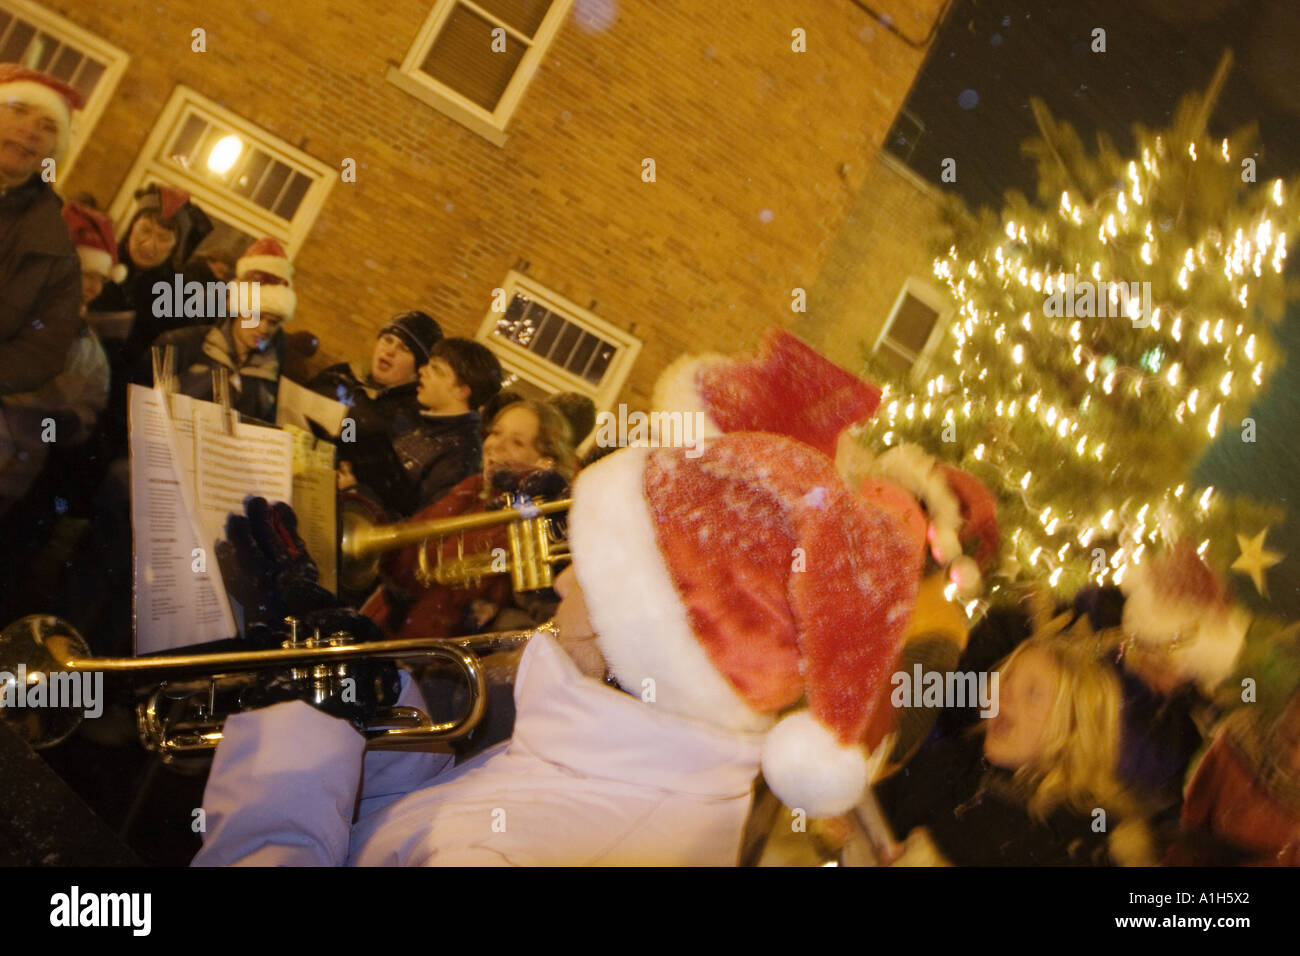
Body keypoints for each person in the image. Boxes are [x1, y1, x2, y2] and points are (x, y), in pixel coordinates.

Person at [192, 431, 921, 865]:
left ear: (625, 635)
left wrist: (293, 724)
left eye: (593, 571)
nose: (565, 577)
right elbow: (418, 826)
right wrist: (376, 699)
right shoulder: (618, 756)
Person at [873, 627, 1152, 866]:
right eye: (1007, 678)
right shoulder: (959, 759)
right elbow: (878, 808)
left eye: (1032, 693)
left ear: (1073, 730)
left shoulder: (1074, 840)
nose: (1004, 692)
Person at [360, 397, 576, 640]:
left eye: (516, 442)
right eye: (495, 432)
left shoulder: (540, 522)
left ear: (545, 462)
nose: (496, 445)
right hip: (390, 622)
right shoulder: (472, 489)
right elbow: (408, 552)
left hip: (434, 652)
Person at [341, 337, 502, 516]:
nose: (422, 371)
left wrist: (355, 492)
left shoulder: (460, 458)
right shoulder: (415, 416)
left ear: (461, 391)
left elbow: (420, 526)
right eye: (428, 365)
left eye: (436, 369)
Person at [307, 311, 444, 518]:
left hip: (344, 512)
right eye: (388, 340)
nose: (390, 351)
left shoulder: (411, 420)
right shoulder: (339, 376)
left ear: (418, 370)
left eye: (404, 349)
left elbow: (397, 494)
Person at [0, 64, 83, 399]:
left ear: (53, 150)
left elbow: (42, 350)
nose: (31, 130)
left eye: (48, 127)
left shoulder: (57, 251)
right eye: (19, 110)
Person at [147, 237, 296, 423]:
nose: (263, 328)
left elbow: (264, 422)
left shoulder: (270, 368)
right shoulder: (181, 345)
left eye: (273, 322)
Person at [1167, 681, 1300, 866]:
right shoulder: (1242, 738)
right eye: (1290, 739)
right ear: (1291, 702)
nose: (1294, 761)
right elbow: (1192, 819)